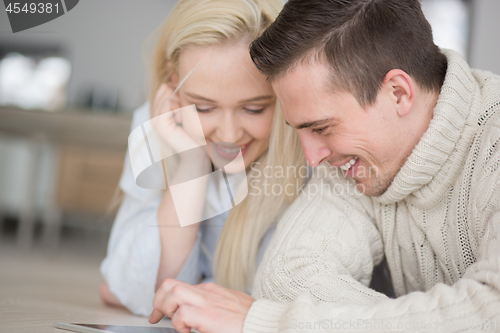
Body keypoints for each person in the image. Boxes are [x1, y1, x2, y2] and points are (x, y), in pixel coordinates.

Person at [147, 0, 500, 332]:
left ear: (398, 93)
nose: (313, 158)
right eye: (300, 130)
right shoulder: (356, 164)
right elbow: (287, 278)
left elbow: (491, 311)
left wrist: (267, 324)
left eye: (322, 128)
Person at [99, 0, 307, 316]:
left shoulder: (312, 141)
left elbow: (295, 297)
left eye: (254, 108)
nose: (227, 134)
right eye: (204, 108)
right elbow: (135, 288)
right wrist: (192, 164)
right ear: (173, 83)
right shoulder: (160, 122)